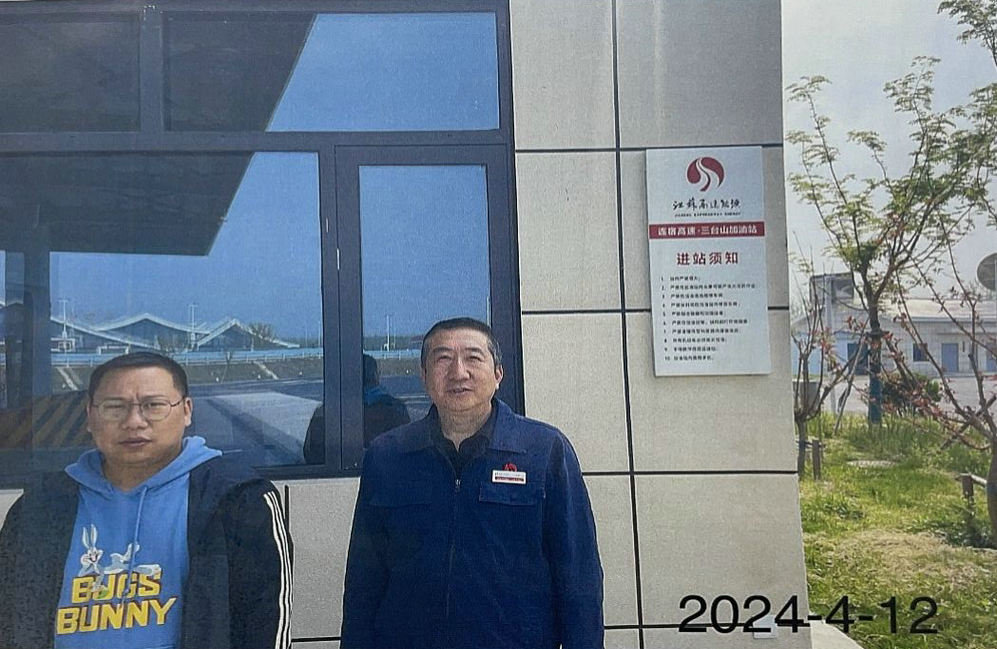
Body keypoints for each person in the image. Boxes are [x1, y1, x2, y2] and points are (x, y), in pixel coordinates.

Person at [341, 317, 603, 649]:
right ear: (424, 376)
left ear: (498, 374)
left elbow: (579, 576)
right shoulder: (388, 456)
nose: (458, 372)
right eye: (443, 358)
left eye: (473, 358)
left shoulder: (544, 451)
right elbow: (364, 580)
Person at [0, 352, 292, 649]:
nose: (134, 422)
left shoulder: (237, 500)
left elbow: (265, 623)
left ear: (187, 411)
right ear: (89, 415)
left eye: (154, 405)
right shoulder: (40, 507)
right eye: (115, 407)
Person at [303, 353, 410, 464]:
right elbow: (407, 450)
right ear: (376, 375)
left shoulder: (325, 413)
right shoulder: (396, 410)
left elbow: (310, 453)